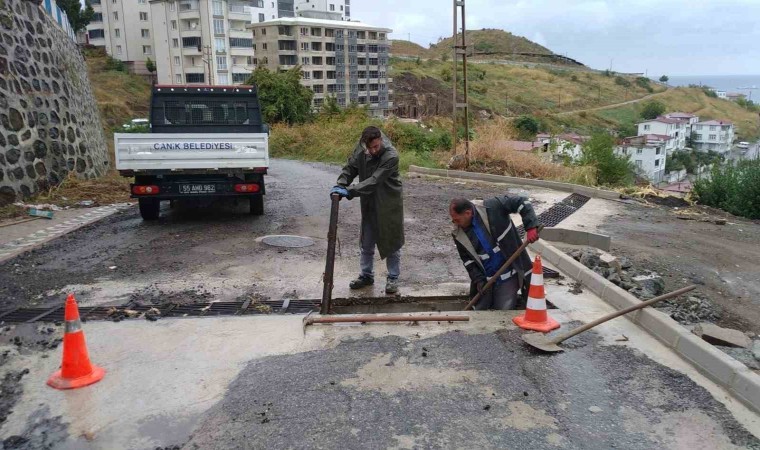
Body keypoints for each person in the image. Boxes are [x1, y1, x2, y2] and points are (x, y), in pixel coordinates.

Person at [330, 126, 404, 294]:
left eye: (376, 147)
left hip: (388, 202)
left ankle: (393, 277)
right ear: (364, 143)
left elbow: (374, 180)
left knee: (391, 241)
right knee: (367, 241)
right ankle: (366, 275)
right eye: (369, 148)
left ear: (381, 141)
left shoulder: (391, 156)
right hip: (369, 201)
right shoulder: (362, 149)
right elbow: (350, 168)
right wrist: (340, 184)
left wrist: (349, 191)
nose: (372, 151)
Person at [449, 196, 540, 310]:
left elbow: (522, 202)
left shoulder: (493, 207)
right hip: (487, 279)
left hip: (508, 275)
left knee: (502, 311)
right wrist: (478, 280)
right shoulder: (458, 233)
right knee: (480, 310)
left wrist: (531, 226)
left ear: (468, 213)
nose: (455, 223)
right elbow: (468, 261)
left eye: (457, 220)